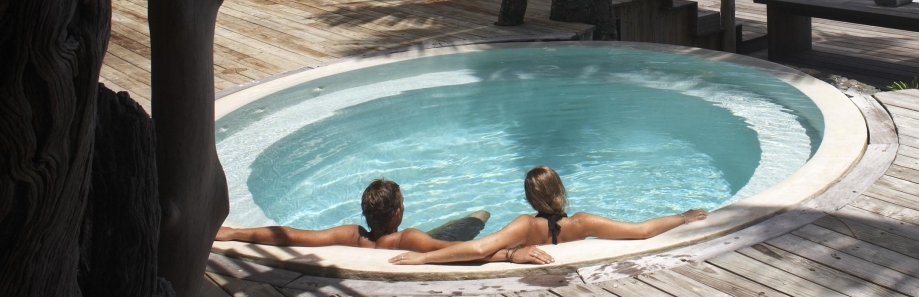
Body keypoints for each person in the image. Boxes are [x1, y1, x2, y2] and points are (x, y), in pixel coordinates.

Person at [389, 166, 707, 266]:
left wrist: (422, 259)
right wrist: (683, 217)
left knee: (469, 230)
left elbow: (478, 250)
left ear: (529, 198)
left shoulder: (525, 225)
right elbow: (641, 230)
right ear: (561, 191)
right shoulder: (581, 223)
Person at [215, 179, 535, 260]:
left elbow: (288, 235)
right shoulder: (407, 238)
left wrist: (233, 234)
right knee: (467, 228)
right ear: (397, 212)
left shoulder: (353, 235)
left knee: (473, 221)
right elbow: (456, 250)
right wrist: (509, 253)